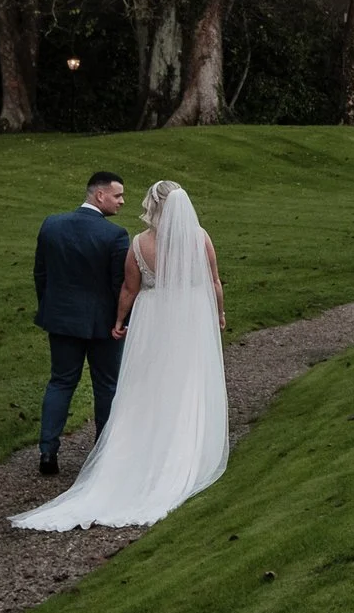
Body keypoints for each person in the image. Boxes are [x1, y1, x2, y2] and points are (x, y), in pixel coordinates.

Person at [13, 179, 230, 530]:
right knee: (175, 380)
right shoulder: (195, 237)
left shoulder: (136, 242)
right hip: (187, 318)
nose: (125, 201)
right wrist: (219, 313)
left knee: (131, 383)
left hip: (138, 318)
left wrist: (117, 318)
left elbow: (128, 288)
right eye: (118, 195)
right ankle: (174, 446)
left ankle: (55, 450)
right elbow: (214, 280)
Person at [32, 171, 131, 477]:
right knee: (106, 386)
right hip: (102, 325)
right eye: (118, 195)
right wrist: (121, 321)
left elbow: (41, 274)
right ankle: (103, 450)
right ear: (99, 195)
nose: (122, 202)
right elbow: (120, 285)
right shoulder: (115, 235)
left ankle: (48, 450)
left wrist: (50, 307)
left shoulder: (52, 225)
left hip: (61, 320)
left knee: (61, 382)